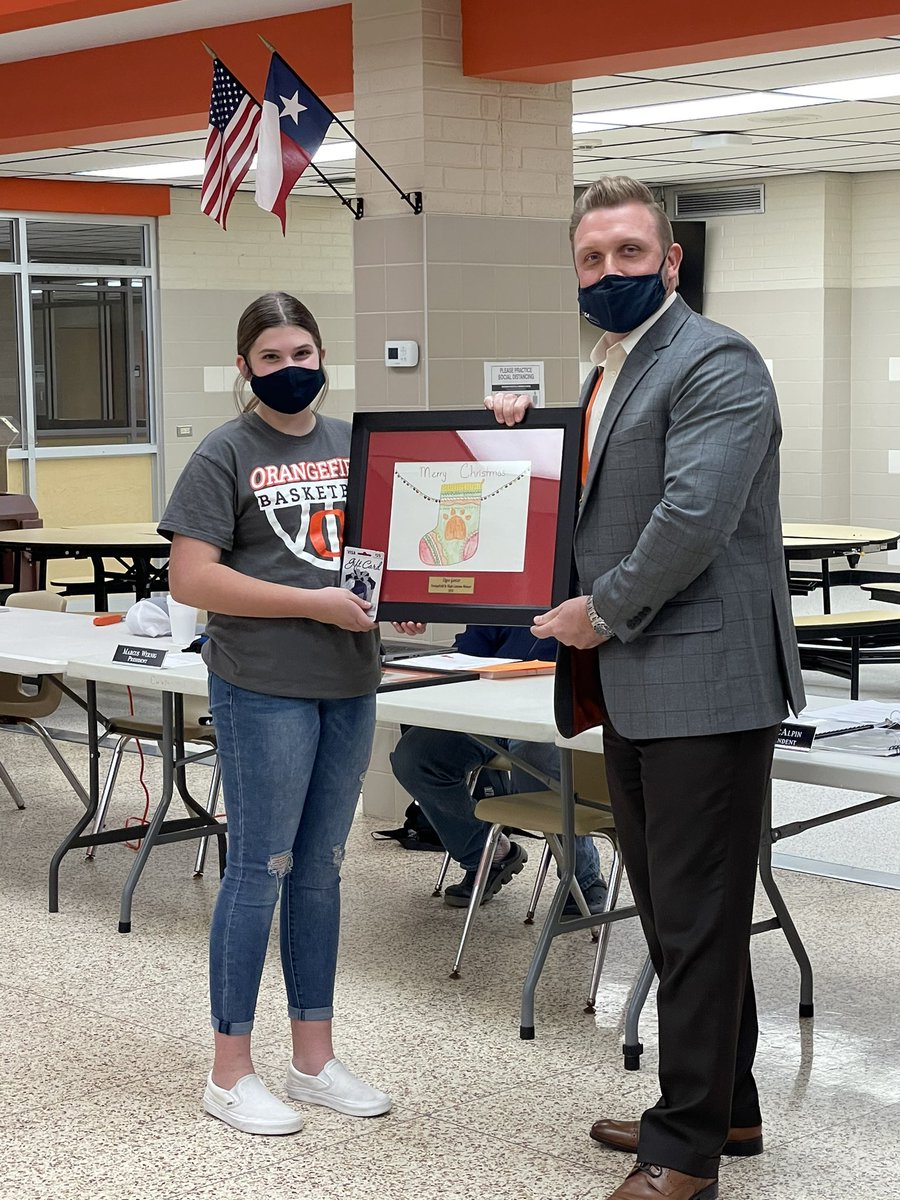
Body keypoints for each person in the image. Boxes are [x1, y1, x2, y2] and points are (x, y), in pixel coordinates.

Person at [486, 177, 804, 1200]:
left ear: (671, 261)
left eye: (629, 253)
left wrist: (603, 610)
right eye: (591, 258)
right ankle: (727, 1106)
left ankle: (684, 1151)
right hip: (635, 681)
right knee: (676, 912)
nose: (608, 271)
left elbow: (693, 516)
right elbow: (594, 504)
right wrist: (512, 443)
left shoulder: (714, 361)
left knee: (695, 916)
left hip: (704, 681)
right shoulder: (608, 370)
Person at [159, 291, 400, 1136]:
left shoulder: (354, 443)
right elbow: (191, 578)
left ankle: (313, 1061)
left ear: (322, 356)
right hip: (262, 683)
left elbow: (374, 555)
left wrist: (395, 601)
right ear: (245, 367)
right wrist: (310, 603)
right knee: (261, 868)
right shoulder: (224, 453)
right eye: (271, 357)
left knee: (323, 866)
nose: (291, 368)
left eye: (303, 353)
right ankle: (229, 1073)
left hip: (349, 679)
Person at [390, 624, 607, 913]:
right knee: (415, 757)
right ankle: (487, 856)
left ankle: (584, 877)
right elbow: (471, 647)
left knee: (534, 759)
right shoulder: (511, 599)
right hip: (487, 710)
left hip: (551, 712)